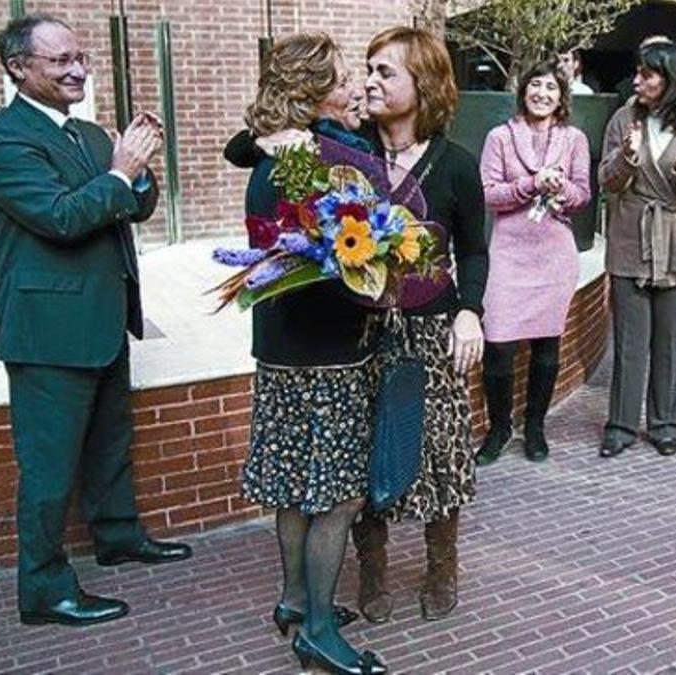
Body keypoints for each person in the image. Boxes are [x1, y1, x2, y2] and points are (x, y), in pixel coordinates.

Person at [0, 13, 190, 628]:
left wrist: (139, 170)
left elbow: (130, 207)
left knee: (109, 444)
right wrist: (121, 170)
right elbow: (62, 217)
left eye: (81, 57)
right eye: (60, 60)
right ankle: (43, 589)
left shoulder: (90, 135)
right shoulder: (3, 142)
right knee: (48, 468)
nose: (77, 70)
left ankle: (118, 537)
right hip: (46, 332)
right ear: (19, 68)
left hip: (103, 320)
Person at [226, 33, 386, 674]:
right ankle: (319, 629)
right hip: (328, 352)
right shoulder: (322, 157)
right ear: (310, 90)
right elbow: (347, 251)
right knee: (339, 495)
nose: (353, 89)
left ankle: (295, 598)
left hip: (280, 346)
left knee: (293, 483)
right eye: (342, 78)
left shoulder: (274, 155)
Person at [352, 26, 487, 624]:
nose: (372, 81)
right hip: (357, 334)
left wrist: (468, 311)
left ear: (424, 84)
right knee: (363, 449)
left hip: (433, 329)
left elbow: (476, 251)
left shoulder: (456, 165)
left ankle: (442, 567)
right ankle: (372, 570)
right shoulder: (345, 152)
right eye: (369, 69)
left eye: (387, 72)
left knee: (440, 449)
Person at [598, 40, 676, 458]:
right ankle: (621, 424)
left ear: (672, 79)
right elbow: (607, 182)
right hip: (630, 237)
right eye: (638, 72)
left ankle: (666, 424)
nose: (637, 80)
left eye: (647, 75)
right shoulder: (622, 117)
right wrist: (627, 159)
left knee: (669, 341)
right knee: (630, 341)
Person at [475, 60, 592, 465]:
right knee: (499, 346)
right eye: (535, 86)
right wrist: (530, 184)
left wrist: (562, 194)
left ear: (562, 97)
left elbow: (584, 193)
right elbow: (487, 194)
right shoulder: (500, 137)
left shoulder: (574, 139)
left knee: (547, 345)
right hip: (509, 253)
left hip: (554, 254)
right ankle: (499, 427)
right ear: (523, 91)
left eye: (552, 88)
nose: (542, 93)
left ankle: (535, 425)